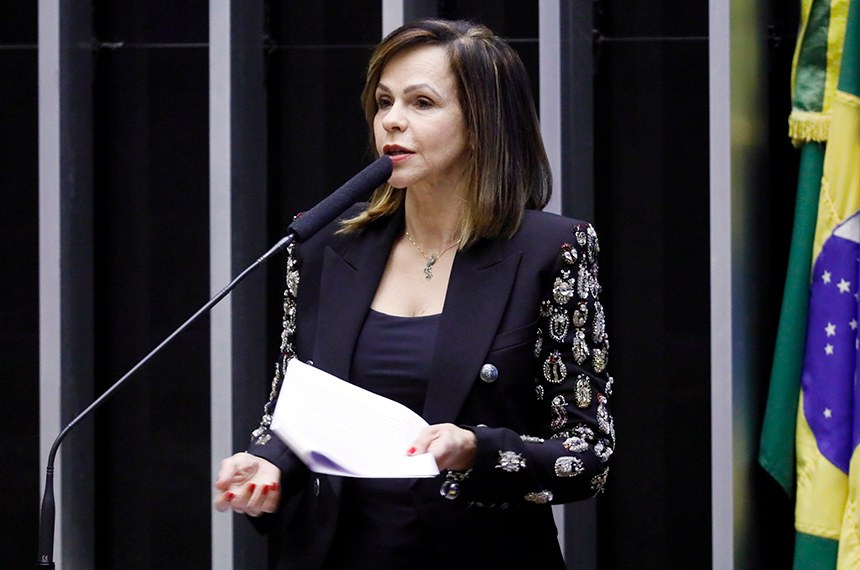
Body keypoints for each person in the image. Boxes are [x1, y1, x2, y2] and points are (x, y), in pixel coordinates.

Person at [214, 18, 614, 570]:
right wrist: (268, 463)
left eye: (422, 103)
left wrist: (475, 450)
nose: (392, 121)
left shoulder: (552, 249)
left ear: (483, 123)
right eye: (384, 102)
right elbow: (295, 411)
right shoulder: (326, 242)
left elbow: (588, 454)